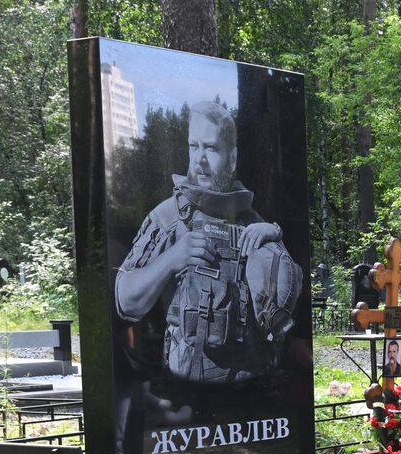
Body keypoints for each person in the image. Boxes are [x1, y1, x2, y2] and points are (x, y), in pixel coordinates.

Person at [115, 100, 302, 384]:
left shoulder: (252, 221)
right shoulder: (169, 217)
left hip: (255, 391)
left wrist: (274, 241)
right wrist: (172, 259)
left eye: (211, 148)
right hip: (191, 395)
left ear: (233, 157)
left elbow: (283, 307)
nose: (199, 159)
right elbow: (125, 301)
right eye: (194, 146)